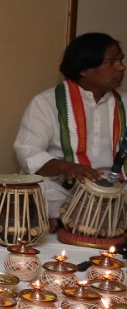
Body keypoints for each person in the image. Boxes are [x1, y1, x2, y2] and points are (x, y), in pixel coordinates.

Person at [14, 32, 125, 226]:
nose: (121, 68)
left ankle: (76, 220)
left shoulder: (124, 103)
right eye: (112, 62)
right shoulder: (47, 103)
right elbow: (27, 152)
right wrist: (67, 167)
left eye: (121, 60)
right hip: (63, 189)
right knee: (31, 189)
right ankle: (68, 217)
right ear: (84, 69)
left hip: (116, 192)